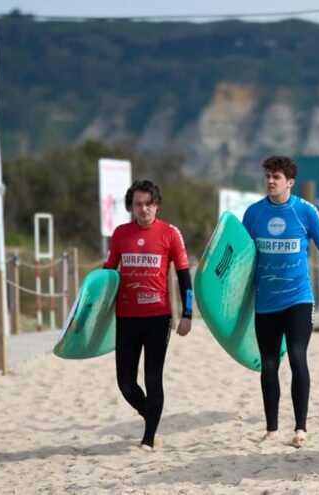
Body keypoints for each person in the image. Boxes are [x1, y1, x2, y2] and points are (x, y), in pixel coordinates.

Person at [242, 155, 319, 448]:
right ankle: (271, 428)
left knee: (296, 355)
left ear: (290, 182)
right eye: (267, 175)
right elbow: (241, 262)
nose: (270, 181)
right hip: (265, 301)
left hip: (298, 298)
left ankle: (301, 428)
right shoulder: (253, 214)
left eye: (276, 177)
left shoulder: (305, 212)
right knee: (268, 364)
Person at [104, 179, 193, 451]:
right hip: (127, 318)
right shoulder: (120, 234)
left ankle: (148, 438)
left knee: (153, 378)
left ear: (157, 205)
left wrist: (187, 313)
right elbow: (107, 276)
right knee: (126, 383)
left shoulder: (170, 233)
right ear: (131, 207)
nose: (144, 209)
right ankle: (150, 416)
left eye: (148, 204)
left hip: (158, 317)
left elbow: (184, 277)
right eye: (138, 204)